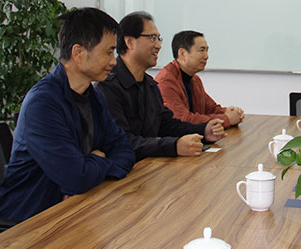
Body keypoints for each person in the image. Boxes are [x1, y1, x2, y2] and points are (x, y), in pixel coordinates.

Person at [0, 8, 135, 222]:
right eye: (108, 52)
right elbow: (75, 178)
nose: (114, 61)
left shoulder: (94, 97)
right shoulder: (42, 103)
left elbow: (125, 150)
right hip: (29, 222)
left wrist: (90, 164)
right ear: (78, 53)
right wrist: (98, 158)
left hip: (76, 211)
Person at [97, 12, 226, 161]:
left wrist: (204, 130)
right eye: (152, 38)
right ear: (130, 42)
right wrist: (174, 146)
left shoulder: (149, 85)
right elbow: (122, 142)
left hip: (150, 167)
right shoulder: (107, 87)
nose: (158, 46)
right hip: (124, 171)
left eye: (159, 39)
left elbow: (166, 124)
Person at [156, 30, 244, 128]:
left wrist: (230, 112)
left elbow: (210, 108)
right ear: (182, 53)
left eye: (207, 51)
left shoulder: (195, 79)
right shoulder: (165, 82)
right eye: (201, 50)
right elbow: (182, 119)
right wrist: (226, 119)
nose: (206, 56)